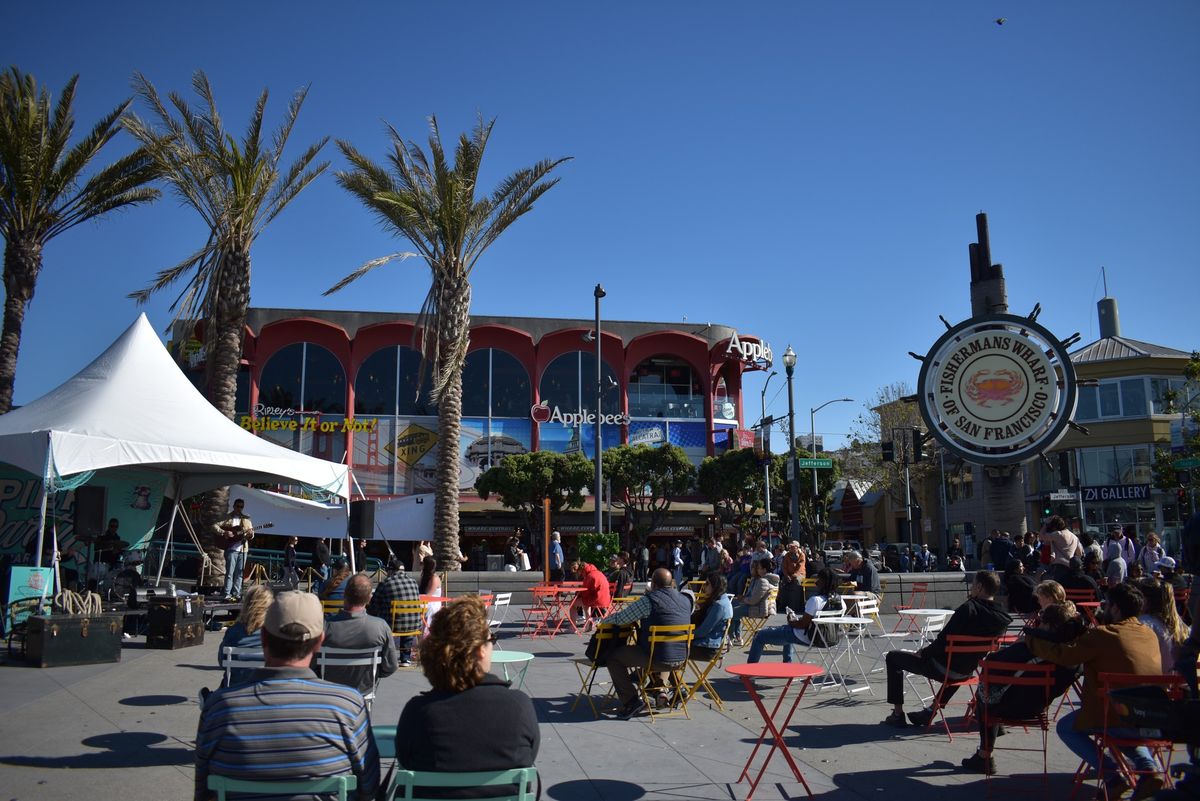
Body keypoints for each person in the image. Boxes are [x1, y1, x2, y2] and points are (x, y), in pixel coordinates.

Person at [195, 591, 379, 801]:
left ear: (264, 637)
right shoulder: (348, 706)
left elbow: (203, 792)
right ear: (320, 642)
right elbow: (369, 787)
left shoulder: (218, 708)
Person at [1025, 582, 1165, 801]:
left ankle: (1112, 776)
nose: (1104, 609)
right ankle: (1148, 768)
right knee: (1121, 726)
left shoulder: (1104, 635)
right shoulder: (1148, 633)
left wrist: (1032, 641)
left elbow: (1065, 655)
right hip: (1152, 717)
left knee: (1067, 728)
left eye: (1107, 605)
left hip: (1116, 715)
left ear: (1116, 609)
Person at [396, 596, 538, 799]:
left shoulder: (416, 713)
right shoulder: (519, 707)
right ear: (480, 651)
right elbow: (529, 756)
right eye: (492, 640)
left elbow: (406, 761)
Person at [960, 601, 1086, 775]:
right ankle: (991, 741)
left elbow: (990, 665)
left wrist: (1021, 644)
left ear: (1048, 625)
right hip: (1037, 707)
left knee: (985, 695)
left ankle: (984, 756)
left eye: (1041, 622)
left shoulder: (1027, 647)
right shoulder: (1072, 659)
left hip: (1007, 706)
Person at [882, 570, 1012, 727]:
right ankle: (931, 710)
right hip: (967, 671)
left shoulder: (969, 609)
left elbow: (943, 640)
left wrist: (923, 653)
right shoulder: (1003, 617)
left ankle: (897, 715)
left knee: (893, 657)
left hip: (942, 668)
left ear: (979, 587)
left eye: (973, 584)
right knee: (955, 662)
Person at [601, 568, 692, 719]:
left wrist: (604, 621)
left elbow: (622, 618)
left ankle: (631, 701)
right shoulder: (685, 600)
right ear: (672, 583)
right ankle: (666, 689)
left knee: (613, 657)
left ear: (654, 584)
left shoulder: (649, 600)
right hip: (681, 658)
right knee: (663, 650)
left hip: (655, 658)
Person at [323, 574, 398, 697]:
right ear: (369, 598)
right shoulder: (380, 627)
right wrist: (372, 675)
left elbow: (313, 663)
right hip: (363, 692)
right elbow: (390, 666)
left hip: (330, 691)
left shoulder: (326, 627)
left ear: (345, 594)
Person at [747, 568, 840, 663]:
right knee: (788, 629)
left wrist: (792, 621)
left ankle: (748, 673)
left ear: (824, 582)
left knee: (759, 635)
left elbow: (802, 625)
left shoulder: (815, 600)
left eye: (819, 579)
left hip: (809, 637)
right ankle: (787, 665)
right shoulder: (840, 601)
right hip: (829, 639)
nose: (816, 582)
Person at [217, 583, 274, 687]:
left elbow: (222, 662)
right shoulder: (273, 633)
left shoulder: (233, 632)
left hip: (235, 689)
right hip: (265, 690)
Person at [367, 561, 421, 665]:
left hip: (393, 625)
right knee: (406, 619)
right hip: (415, 625)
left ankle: (385, 654)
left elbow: (374, 604)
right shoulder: (413, 582)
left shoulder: (385, 583)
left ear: (391, 571)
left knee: (384, 616)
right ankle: (405, 658)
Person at [1136, 578, 1187, 673]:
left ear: (1144, 600)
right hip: (1177, 683)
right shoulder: (1180, 625)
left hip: (1157, 683)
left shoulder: (1144, 624)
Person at [729, 557, 777, 646]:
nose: (757, 570)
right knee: (732, 605)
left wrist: (743, 599)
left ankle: (731, 637)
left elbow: (753, 600)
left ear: (764, 570)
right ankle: (735, 637)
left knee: (731, 611)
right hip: (759, 606)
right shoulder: (767, 579)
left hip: (758, 609)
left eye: (758, 568)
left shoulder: (763, 581)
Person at [690, 573, 733, 661]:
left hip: (708, 649)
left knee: (669, 650)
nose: (704, 586)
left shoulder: (719, 605)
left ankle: (667, 675)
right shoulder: (724, 600)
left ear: (715, 586)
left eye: (707, 584)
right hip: (712, 645)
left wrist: (686, 634)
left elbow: (703, 631)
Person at [219, 499, 254, 602]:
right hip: (231, 548)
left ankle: (236, 593)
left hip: (243, 549)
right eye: (238, 506)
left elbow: (251, 534)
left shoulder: (246, 519)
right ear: (234, 506)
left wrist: (251, 535)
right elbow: (214, 526)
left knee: (240, 573)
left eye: (241, 507)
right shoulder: (227, 517)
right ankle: (227, 593)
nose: (239, 508)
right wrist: (224, 532)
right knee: (230, 572)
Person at [570, 559, 612, 625]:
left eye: (581, 573)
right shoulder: (598, 572)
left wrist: (578, 595)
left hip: (598, 600)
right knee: (585, 602)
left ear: (582, 570)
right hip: (606, 599)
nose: (582, 575)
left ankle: (573, 627)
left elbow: (585, 593)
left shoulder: (589, 576)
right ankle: (588, 622)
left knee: (572, 604)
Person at [778, 541, 807, 614]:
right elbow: (784, 567)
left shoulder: (802, 555)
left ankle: (795, 606)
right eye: (790, 547)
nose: (791, 548)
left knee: (796, 581)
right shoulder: (787, 555)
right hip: (789, 574)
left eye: (793, 547)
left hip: (800, 575)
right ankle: (782, 605)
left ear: (797, 548)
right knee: (782, 582)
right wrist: (787, 575)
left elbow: (800, 568)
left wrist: (793, 576)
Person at [419, 555, 442, 633]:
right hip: (425, 601)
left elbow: (429, 595)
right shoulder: (425, 577)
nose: (420, 565)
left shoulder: (434, 578)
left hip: (432, 603)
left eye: (422, 563)